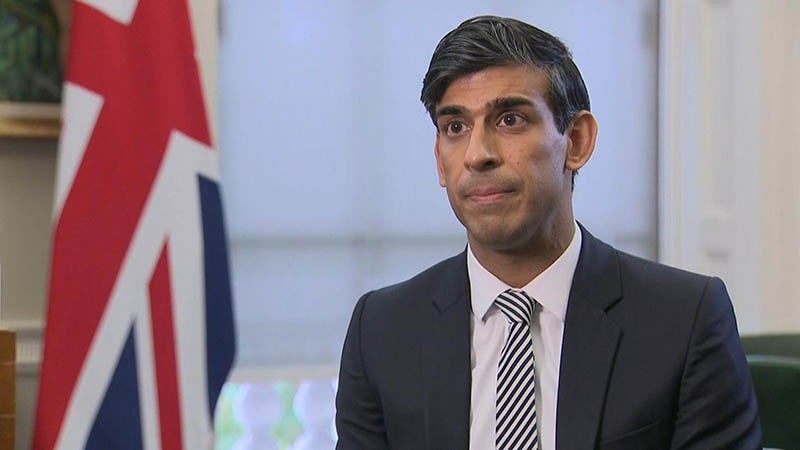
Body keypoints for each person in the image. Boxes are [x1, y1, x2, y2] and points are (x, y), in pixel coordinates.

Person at [335, 15, 761, 450]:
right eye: (455, 128)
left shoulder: (684, 321)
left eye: (510, 120)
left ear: (576, 140)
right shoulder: (382, 331)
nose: (477, 155)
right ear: (439, 160)